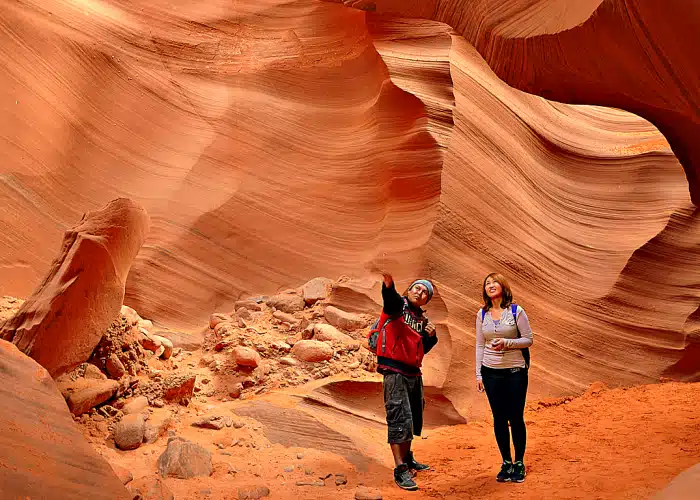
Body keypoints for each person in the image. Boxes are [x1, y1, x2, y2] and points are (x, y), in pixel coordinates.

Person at [373, 273, 438, 491]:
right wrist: (389, 285)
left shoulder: (421, 320)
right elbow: (389, 300)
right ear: (408, 290)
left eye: (425, 292)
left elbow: (421, 350)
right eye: (417, 288)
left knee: (412, 417)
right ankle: (400, 468)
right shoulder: (397, 306)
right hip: (395, 371)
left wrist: (431, 337)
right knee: (398, 415)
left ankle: (408, 458)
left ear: (426, 301)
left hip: (414, 373)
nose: (420, 292)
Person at [475, 272, 533, 483]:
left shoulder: (516, 311)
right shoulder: (482, 314)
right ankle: (506, 462)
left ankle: (519, 462)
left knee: (515, 417)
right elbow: (480, 344)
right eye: (487, 283)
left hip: (515, 371)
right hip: (491, 372)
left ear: (503, 287)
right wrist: (478, 373)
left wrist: (508, 343)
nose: (490, 285)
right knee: (499, 418)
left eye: (494, 282)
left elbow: (528, 339)